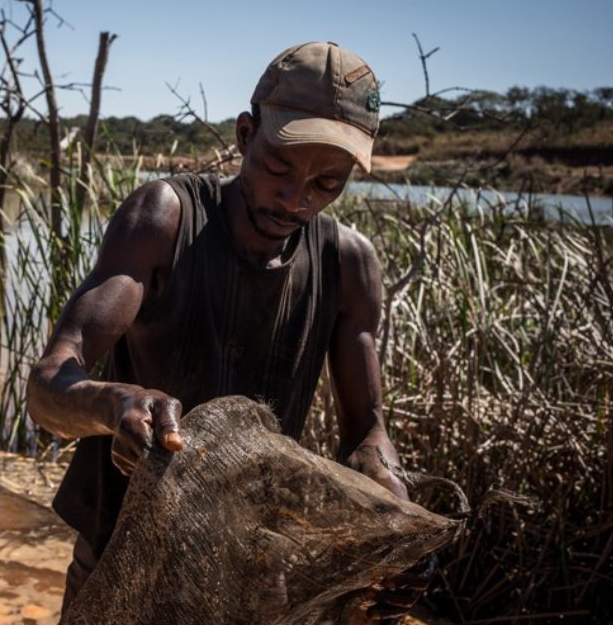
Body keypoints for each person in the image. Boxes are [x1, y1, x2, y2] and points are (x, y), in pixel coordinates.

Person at [26, 41, 434, 621]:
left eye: (328, 183)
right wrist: (113, 404)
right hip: (120, 553)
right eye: (278, 168)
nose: (296, 199)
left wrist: (396, 521)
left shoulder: (348, 264)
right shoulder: (165, 219)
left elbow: (366, 430)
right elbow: (48, 385)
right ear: (246, 135)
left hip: (250, 566)